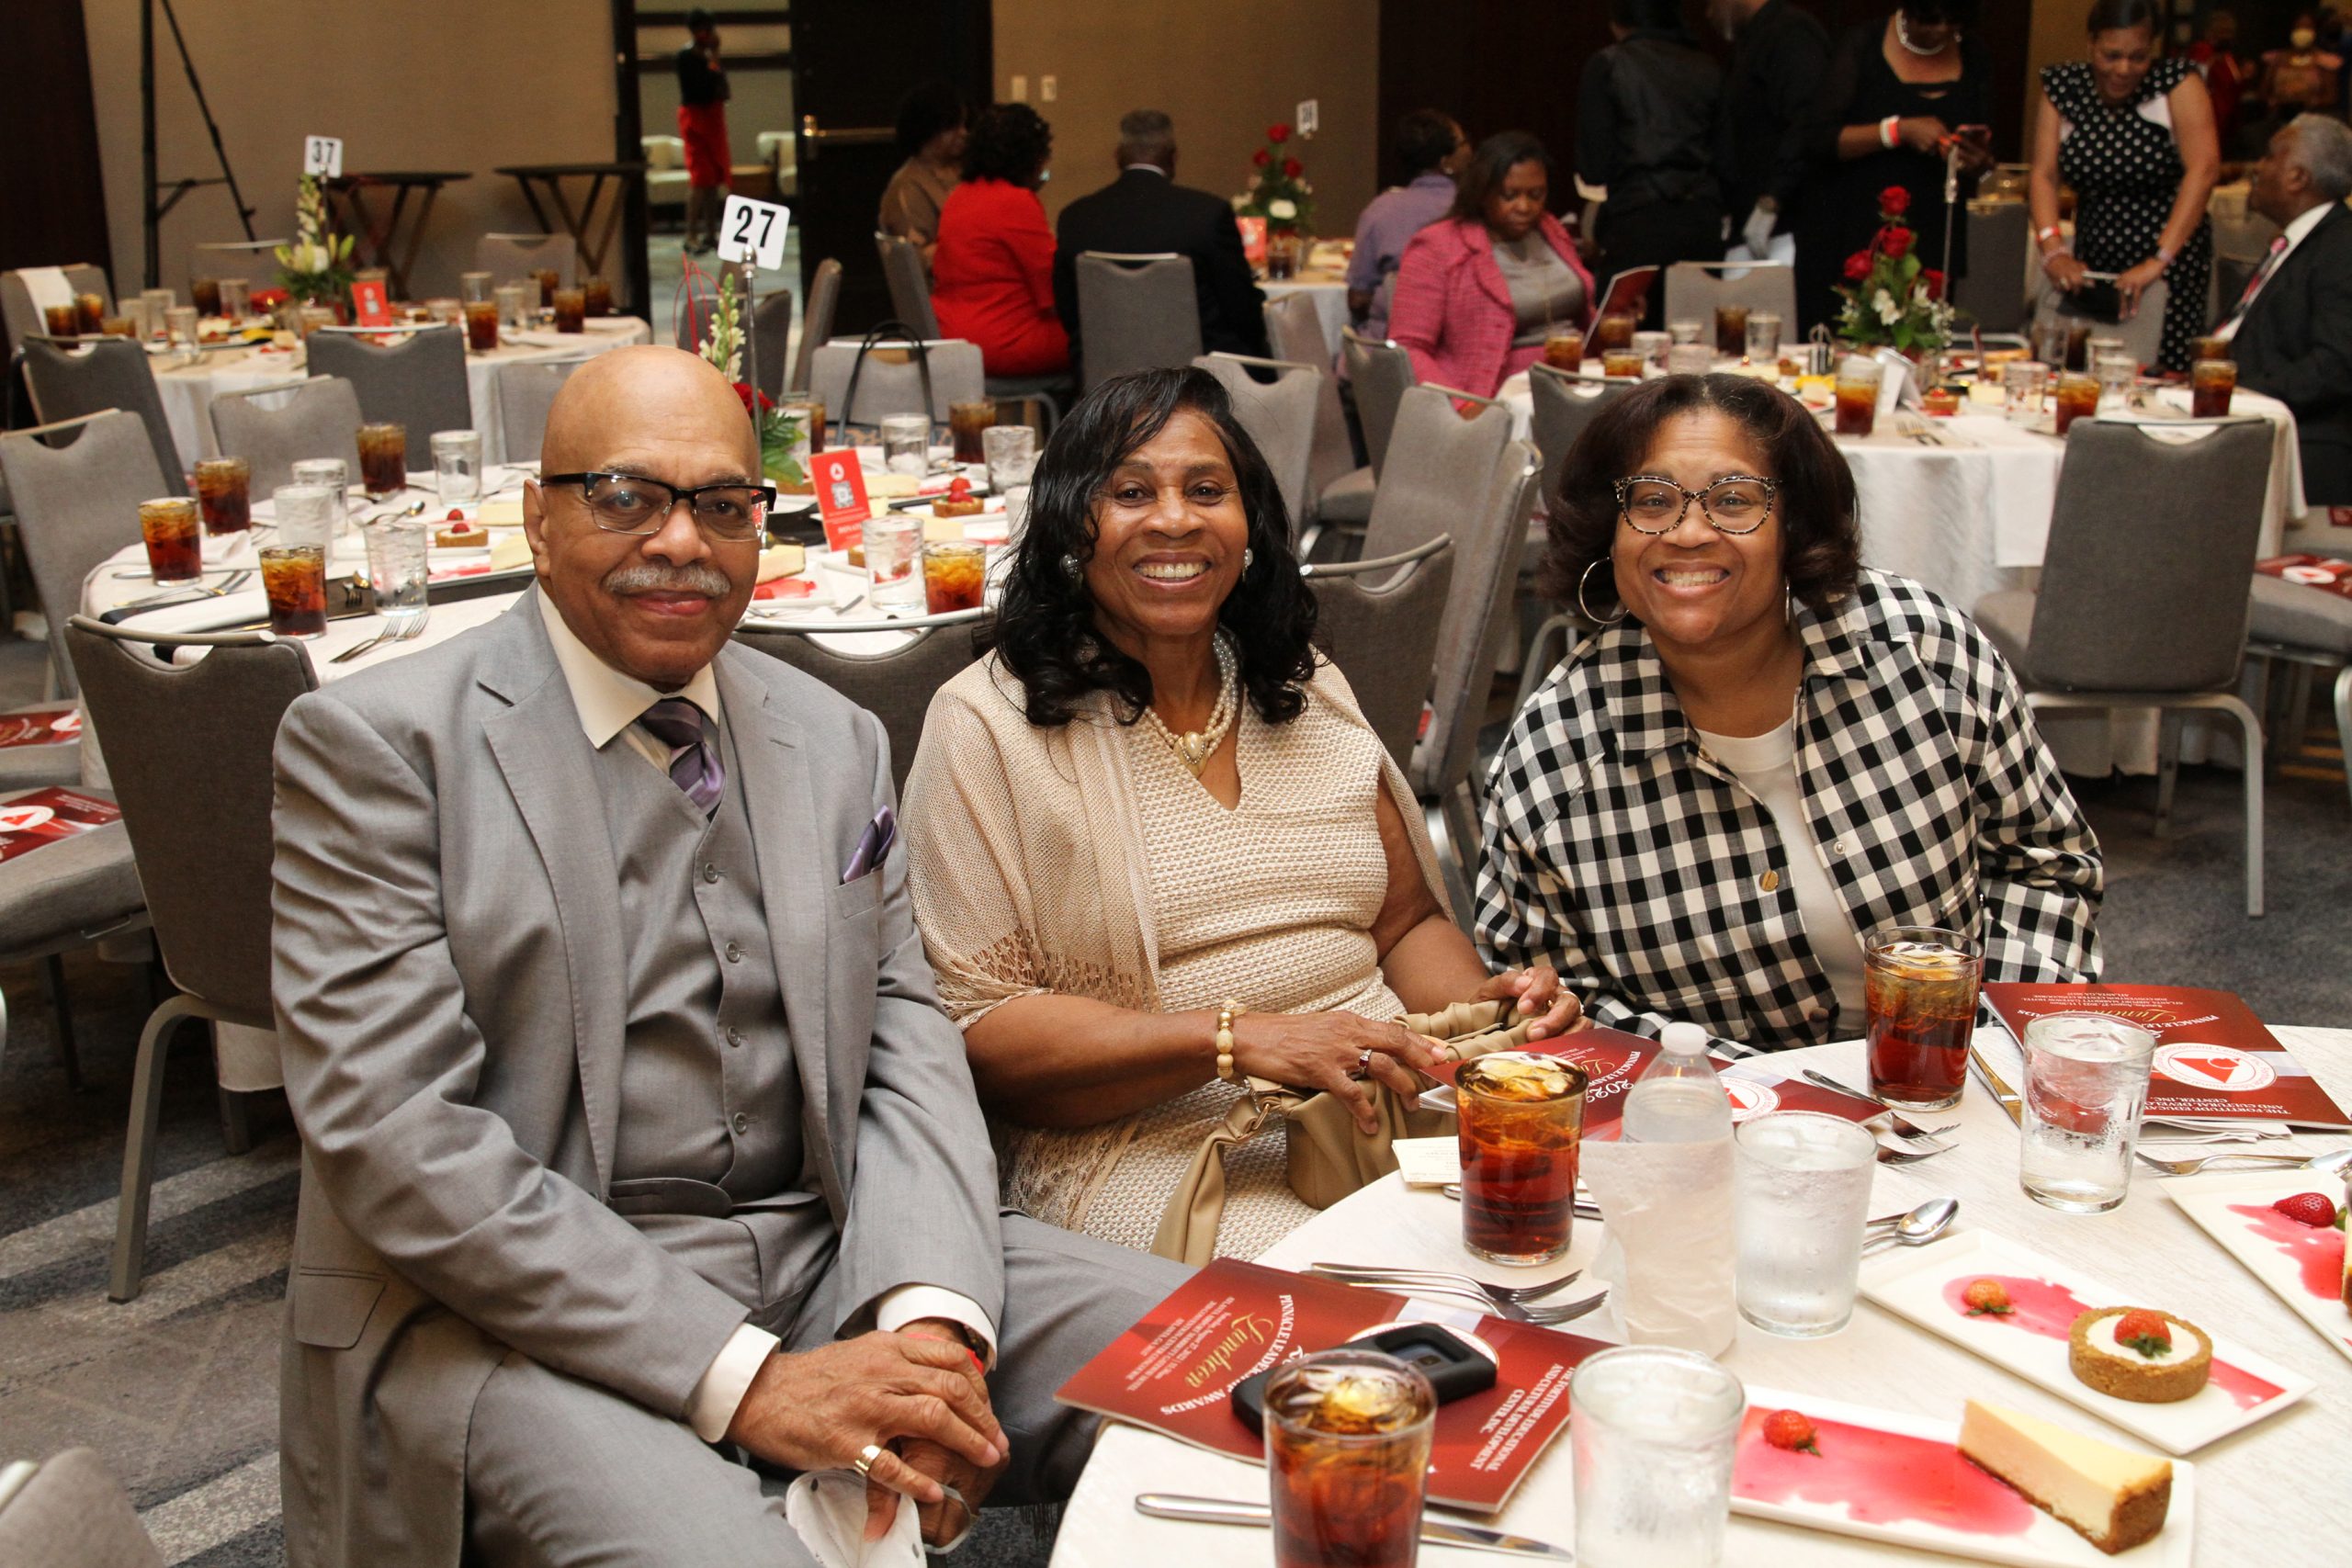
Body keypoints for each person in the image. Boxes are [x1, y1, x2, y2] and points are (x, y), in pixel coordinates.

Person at [270, 345, 1184, 1567]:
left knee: (1260, 1372)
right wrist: (750, 1380)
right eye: (624, 496)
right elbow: (400, 1141)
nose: (680, 541)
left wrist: (930, 1316)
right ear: (537, 518)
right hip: (510, 1314)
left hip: (828, 1249)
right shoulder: (380, 747)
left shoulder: (833, 736)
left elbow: (904, 1046)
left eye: (720, 503)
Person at [902, 367, 1579, 1260]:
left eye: (1206, 490)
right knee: (1394, 1288)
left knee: (1574, 1228)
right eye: (1131, 493)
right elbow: (982, 1031)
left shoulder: (1306, 688)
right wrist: (1235, 1041)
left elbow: (1406, 922)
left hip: (1375, 1110)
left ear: (1249, 528)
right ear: (1070, 529)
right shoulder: (987, 723)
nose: (1174, 520)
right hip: (1154, 1148)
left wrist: (1486, 1021)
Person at [1476, 374, 2102, 1051]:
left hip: (1952, 1071)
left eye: (1733, 499)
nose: (1689, 532)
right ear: (1611, 531)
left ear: (1792, 527)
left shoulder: (1922, 652)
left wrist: (1987, 1045)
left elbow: (2044, 864)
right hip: (1713, 1102)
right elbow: (1556, 1006)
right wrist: (1747, 1088)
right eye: (1652, 500)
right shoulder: (1552, 761)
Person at [2030, 0, 2220, 372]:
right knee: (2083, 372)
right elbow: (2044, 174)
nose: (2123, 69)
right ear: (2091, 45)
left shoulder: (2176, 83)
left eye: (2138, 57)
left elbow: (2204, 170)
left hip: (2168, 263)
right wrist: (2053, 251)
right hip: (2094, 260)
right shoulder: (2064, 87)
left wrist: (2158, 260)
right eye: (2111, 56)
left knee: (2156, 373)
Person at [1795, 1, 1994, 333]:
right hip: (1857, 227)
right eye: (1929, 21)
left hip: (1932, 228)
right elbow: (1819, 139)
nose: (1940, 31)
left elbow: (1984, 151)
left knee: (1922, 338)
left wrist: (1977, 161)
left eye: (1952, 23)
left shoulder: (1974, 54)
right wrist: (1897, 131)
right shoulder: (1863, 45)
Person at [1053, 109, 1270, 370]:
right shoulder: (1207, 214)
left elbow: (1069, 312)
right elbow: (1242, 310)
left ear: (1118, 156)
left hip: (1106, 375)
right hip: (1198, 377)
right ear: (1173, 156)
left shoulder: (1076, 218)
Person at [1389, 131, 1596, 398]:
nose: (1525, 207)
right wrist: (1461, 406)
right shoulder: (1437, 246)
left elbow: (1583, 315)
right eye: (1509, 195)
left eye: (1536, 194)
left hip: (1578, 375)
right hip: (1494, 393)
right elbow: (1408, 348)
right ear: (1482, 192)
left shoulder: (1549, 229)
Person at [2223, 114, 2352, 502]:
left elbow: (2335, 367)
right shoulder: (2298, 242)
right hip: (2240, 416)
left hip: (2298, 438)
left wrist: (2238, 393)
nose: (2257, 168)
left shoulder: (2341, 248)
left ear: (2298, 177)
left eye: (2270, 156)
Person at [1577, 0, 1727, 301]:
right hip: (1703, 222)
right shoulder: (1709, 67)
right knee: (1695, 324)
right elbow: (1729, 160)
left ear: (1617, 23)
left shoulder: (1609, 64)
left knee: (1625, 326)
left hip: (1638, 223)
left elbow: (1593, 168)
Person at [932, 103, 1069, 378]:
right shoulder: (1016, 202)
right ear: (1032, 157)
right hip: (1003, 342)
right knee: (1101, 333)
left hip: (952, 335)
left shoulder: (959, 196)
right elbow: (1053, 290)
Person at [1711, 0, 1832, 264]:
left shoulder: (1790, 33)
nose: (1710, 13)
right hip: (1754, 224)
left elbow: (1807, 120)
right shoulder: (1751, 41)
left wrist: (1772, 199)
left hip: (1787, 227)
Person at [1346, 109, 1472, 343]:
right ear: (1445, 162)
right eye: (1463, 144)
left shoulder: (1380, 210)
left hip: (1387, 349)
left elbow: (1358, 299)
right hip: (1461, 343)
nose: (1470, 150)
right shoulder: (1476, 209)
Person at [878, 82, 967, 269]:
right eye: (952, 127)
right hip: (941, 281)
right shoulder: (907, 186)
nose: (963, 133)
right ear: (928, 131)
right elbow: (914, 261)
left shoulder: (962, 169)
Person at [674, 8, 732, 255]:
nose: (706, 34)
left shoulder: (710, 58)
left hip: (713, 119)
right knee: (699, 179)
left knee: (713, 180)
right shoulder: (685, 57)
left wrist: (715, 57)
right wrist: (713, 61)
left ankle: (711, 233)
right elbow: (700, 89)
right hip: (696, 119)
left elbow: (722, 88)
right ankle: (691, 234)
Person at [2187, 9, 2255, 154]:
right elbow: (2198, 76)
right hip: (2209, 119)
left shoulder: (2228, 57)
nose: (2225, 36)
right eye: (2222, 31)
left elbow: (2234, 87)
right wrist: (2212, 61)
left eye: (2229, 32)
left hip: (2228, 124)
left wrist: (2245, 77)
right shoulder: (2202, 50)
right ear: (2209, 32)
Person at [2256, 11, 2346, 117]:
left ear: (2315, 31)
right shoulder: (2275, 59)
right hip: (2279, 118)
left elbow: (2331, 96)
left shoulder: (2325, 62)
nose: (2302, 31)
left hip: (2312, 119)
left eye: (2308, 27)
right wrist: (2274, 101)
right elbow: (2263, 92)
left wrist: (2312, 102)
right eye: (2298, 27)